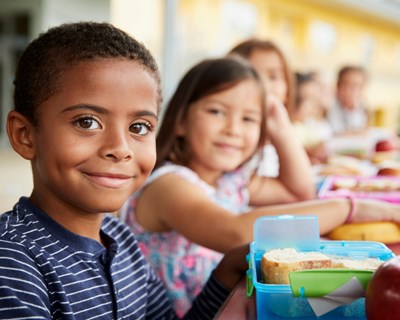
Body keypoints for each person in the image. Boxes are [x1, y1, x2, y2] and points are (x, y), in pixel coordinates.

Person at [0, 22, 249, 320]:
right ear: (25, 135)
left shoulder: (122, 240)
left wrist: (227, 271)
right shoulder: (12, 261)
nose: (121, 148)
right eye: (87, 122)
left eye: (138, 127)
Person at [121, 55, 400, 315]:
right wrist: (350, 207)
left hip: (233, 300)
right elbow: (236, 232)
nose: (233, 128)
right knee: (333, 299)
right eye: (217, 111)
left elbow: (298, 191)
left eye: (248, 119)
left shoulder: (230, 181)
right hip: (196, 312)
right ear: (180, 120)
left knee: (351, 294)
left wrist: (279, 127)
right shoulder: (167, 185)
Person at [228, 38, 315, 198]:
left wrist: (283, 131)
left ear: (288, 91)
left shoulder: (274, 143)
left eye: (273, 77)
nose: (264, 86)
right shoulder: (229, 143)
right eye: (252, 74)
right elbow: (302, 195)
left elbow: (303, 191)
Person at [292, 72, 332, 164]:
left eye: (314, 99)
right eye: (308, 99)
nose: (314, 105)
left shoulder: (307, 124)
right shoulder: (288, 128)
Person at [327, 65, 369, 135]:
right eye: (346, 84)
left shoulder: (362, 106)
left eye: (356, 86)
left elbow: (362, 129)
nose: (351, 90)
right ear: (338, 85)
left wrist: (352, 111)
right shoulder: (330, 104)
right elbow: (336, 132)